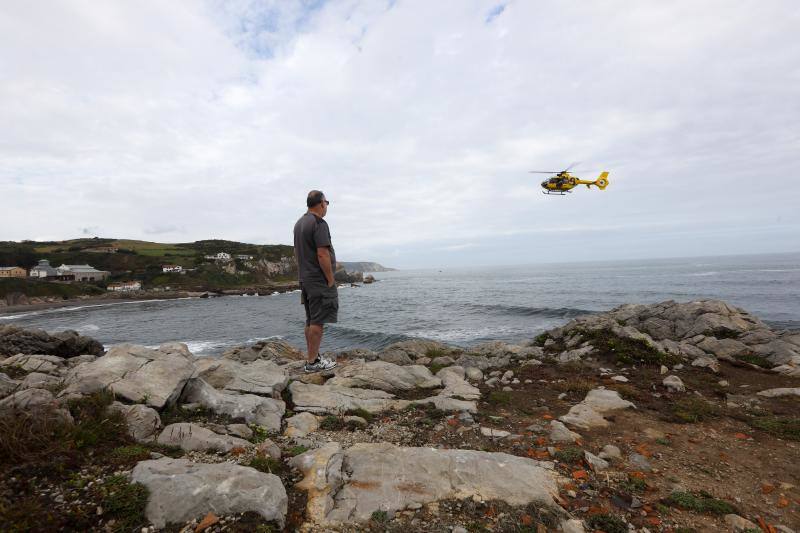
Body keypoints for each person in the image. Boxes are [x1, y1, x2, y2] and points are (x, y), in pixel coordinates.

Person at [293, 190, 338, 372]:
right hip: (318, 280)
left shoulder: (299, 223)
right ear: (320, 203)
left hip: (305, 279)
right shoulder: (319, 223)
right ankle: (312, 363)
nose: (326, 206)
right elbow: (322, 253)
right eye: (326, 202)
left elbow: (297, 253)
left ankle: (313, 357)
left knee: (310, 320)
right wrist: (330, 279)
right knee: (318, 321)